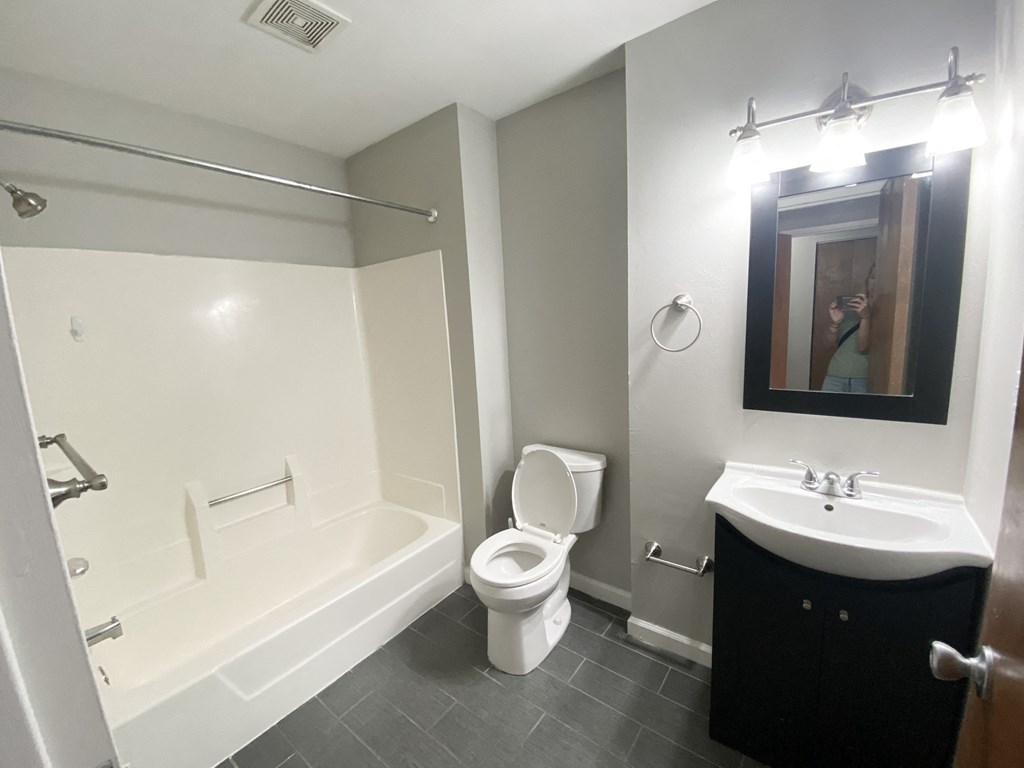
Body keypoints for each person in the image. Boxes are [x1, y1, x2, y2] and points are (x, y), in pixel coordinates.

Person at [821, 264, 875, 393]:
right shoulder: (851, 308)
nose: (876, 281)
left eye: (880, 276)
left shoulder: (887, 313)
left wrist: (866, 318)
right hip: (835, 374)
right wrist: (835, 324)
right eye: (873, 277)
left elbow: (862, 347)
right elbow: (826, 344)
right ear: (867, 280)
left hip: (864, 379)